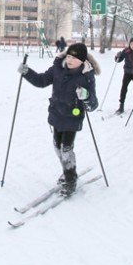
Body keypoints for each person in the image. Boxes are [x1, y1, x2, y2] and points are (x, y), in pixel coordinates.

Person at [17, 43, 99, 196]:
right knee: (57, 146)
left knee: (66, 149)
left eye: (73, 58)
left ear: (81, 60)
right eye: (68, 56)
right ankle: (67, 169)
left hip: (72, 118)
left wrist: (86, 96)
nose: (69, 60)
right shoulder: (57, 69)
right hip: (56, 114)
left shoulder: (86, 76)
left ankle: (70, 179)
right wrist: (27, 72)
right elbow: (41, 81)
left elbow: (93, 104)